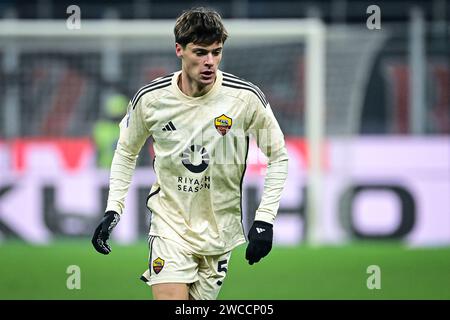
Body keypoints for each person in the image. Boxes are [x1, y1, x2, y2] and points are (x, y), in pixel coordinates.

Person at [91, 7, 288, 300]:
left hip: (219, 232)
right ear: (179, 50)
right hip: (169, 226)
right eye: (200, 52)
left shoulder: (245, 98)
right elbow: (125, 152)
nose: (210, 62)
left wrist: (265, 219)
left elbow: (278, 156)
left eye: (216, 52)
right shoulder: (151, 99)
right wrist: (113, 209)